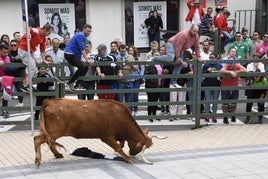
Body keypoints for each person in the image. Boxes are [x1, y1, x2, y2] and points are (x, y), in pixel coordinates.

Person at [17, 23, 53, 92]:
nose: (49, 34)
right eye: (49, 32)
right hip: (24, 49)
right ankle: (24, 85)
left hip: (30, 52)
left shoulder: (43, 38)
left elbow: (42, 50)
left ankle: (28, 84)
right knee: (32, 66)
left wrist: (44, 60)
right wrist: (28, 33)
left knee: (36, 66)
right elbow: (28, 28)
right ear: (45, 30)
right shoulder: (36, 30)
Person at [64, 24, 93, 92]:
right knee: (82, 67)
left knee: (85, 68)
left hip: (74, 55)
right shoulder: (80, 35)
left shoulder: (85, 38)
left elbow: (79, 51)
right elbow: (82, 49)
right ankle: (70, 83)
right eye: (87, 30)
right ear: (83, 29)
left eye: (90, 31)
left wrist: (81, 59)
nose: (88, 32)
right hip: (69, 54)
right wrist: (87, 60)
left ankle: (77, 84)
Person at [219, 56, 247, 124]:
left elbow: (245, 70)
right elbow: (221, 70)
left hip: (234, 88)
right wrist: (230, 72)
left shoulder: (237, 65)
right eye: (229, 62)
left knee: (234, 103)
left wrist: (236, 72)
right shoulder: (226, 66)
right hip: (225, 88)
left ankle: (232, 114)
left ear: (234, 62)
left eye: (231, 62)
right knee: (225, 103)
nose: (230, 64)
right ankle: (225, 117)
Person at [202, 53, 222, 123]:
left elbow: (222, 75)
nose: (211, 59)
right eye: (210, 57)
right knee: (207, 101)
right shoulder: (206, 65)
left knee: (215, 102)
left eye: (213, 57)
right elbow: (202, 73)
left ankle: (214, 116)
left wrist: (218, 72)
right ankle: (207, 115)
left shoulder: (219, 65)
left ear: (216, 58)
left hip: (216, 84)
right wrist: (207, 70)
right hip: (207, 85)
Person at [116, 44, 137, 112]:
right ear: (119, 51)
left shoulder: (130, 57)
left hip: (129, 81)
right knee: (120, 100)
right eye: (121, 51)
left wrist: (130, 64)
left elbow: (135, 69)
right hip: (120, 82)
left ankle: (129, 114)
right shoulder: (116, 58)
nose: (123, 53)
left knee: (129, 100)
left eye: (124, 51)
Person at [144, 50, 162, 122]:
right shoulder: (149, 64)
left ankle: (154, 115)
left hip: (159, 85)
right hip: (151, 86)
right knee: (150, 101)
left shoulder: (160, 64)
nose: (157, 56)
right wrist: (153, 80)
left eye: (158, 55)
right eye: (155, 55)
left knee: (156, 101)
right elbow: (146, 74)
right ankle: (149, 116)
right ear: (152, 56)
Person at [7, 39, 25, 107]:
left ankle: (21, 102)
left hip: (21, 70)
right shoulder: (8, 53)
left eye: (15, 45)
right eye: (12, 45)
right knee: (12, 86)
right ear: (10, 46)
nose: (13, 46)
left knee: (19, 86)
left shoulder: (21, 52)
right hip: (12, 71)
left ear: (17, 45)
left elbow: (24, 60)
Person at [127, 45, 144, 116]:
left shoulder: (138, 59)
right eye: (129, 50)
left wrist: (140, 76)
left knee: (135, 94)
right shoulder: (126, 58)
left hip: (136, 79)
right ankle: (130, 110)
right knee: (130, 94)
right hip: (129, 79)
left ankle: (135, 109)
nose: (130, 52)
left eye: (131, 50)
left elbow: (142, 68)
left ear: (134, 51)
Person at [159, 44, 173, 117]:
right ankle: (162, 108)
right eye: (160, 50)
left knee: (167, 95)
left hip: (167, 80)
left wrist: (167, 71)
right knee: (161, 95)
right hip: (159, 80)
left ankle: (167, 108)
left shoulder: (168, 60)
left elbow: (171, 69)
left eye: (162, 50)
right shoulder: (158, 58)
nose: (161, 52)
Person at [0, 41, 11, 119]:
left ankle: (5, 111)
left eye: (7, 52)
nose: (6, 54)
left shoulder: (8, 57)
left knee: (5, 96)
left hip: (6, 79)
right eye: (4, 52)